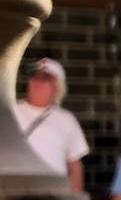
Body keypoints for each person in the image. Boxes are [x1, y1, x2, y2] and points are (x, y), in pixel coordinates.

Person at [17, 57, 90, 192]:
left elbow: (75, 165)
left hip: (54, 196)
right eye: (34, 77)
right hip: (15, 192)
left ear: (57, 86)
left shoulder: (67, 120)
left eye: (44, 78)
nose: (36, 81)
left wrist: (74, 198)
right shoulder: (9, 111)